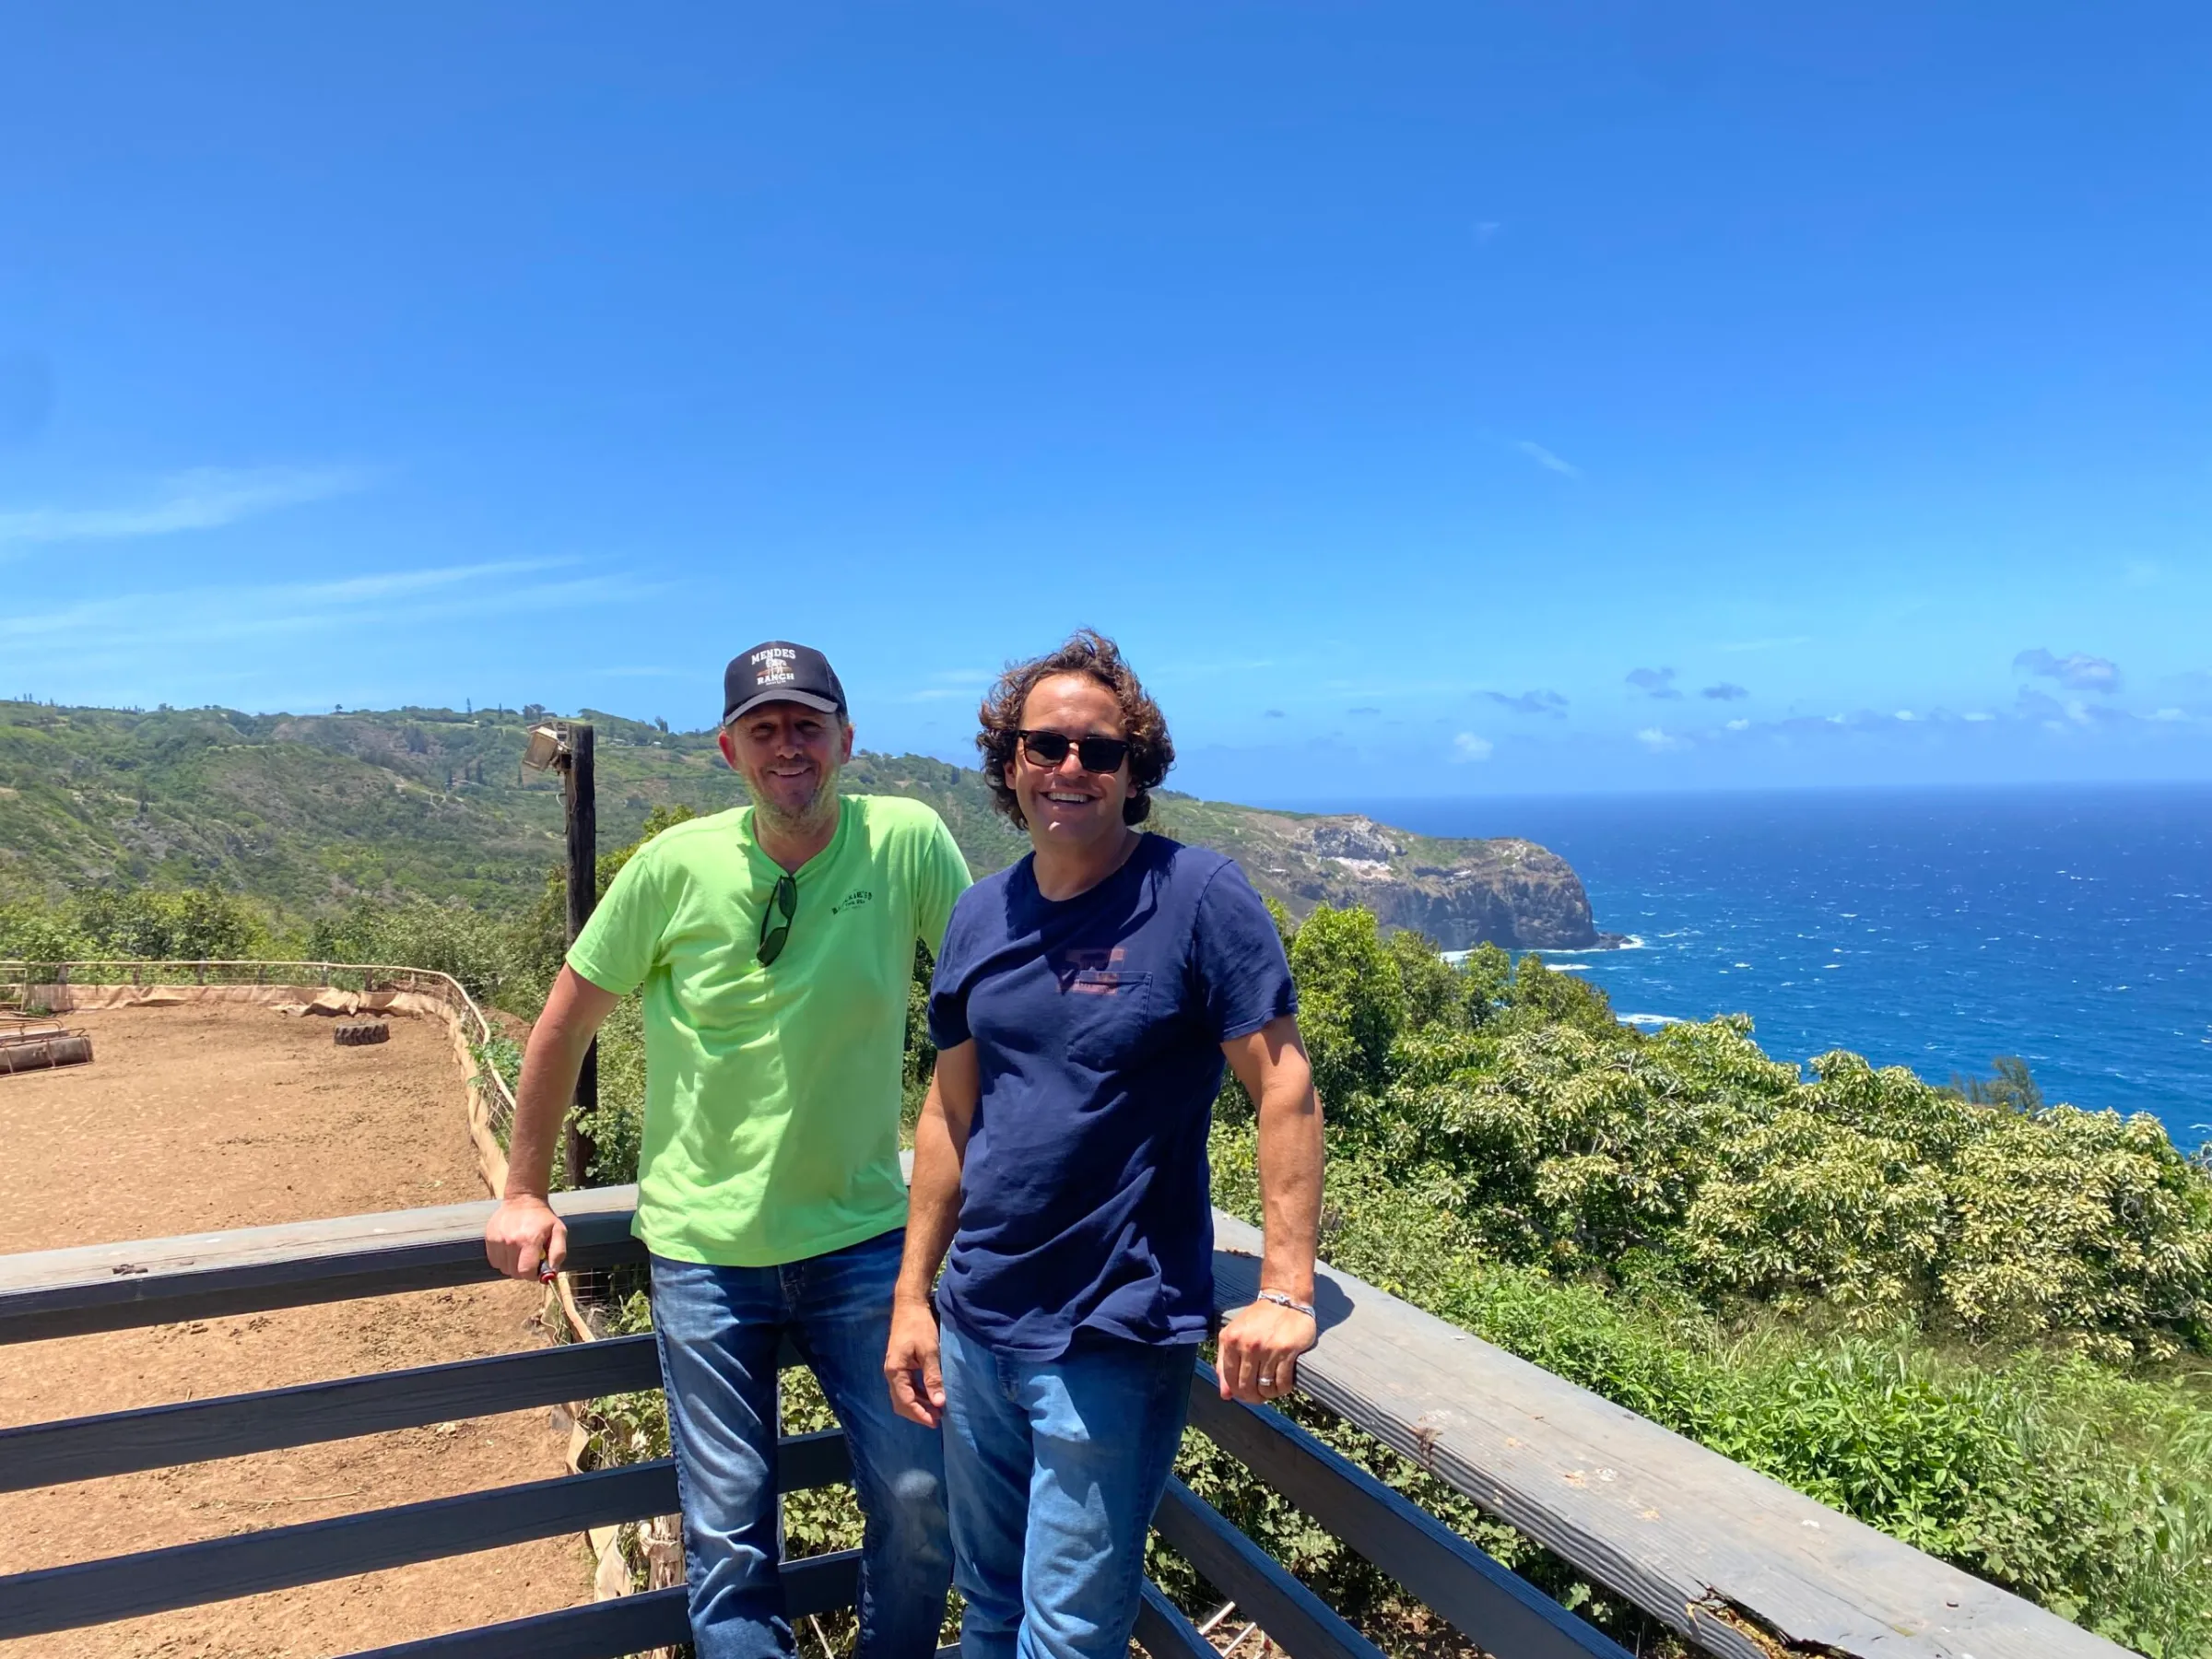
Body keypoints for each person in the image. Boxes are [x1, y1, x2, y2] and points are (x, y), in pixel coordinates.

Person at [485, 641, 971, 1659]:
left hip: (867, 1241)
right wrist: (524, 1192)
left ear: (846, 738)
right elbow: (564, 1024)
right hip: (706, 1254)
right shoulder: (673, 868)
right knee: (730, 1544)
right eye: (764, 729)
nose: (787, 746)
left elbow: (988, 1011)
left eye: (806, 725)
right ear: (727, 749)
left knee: (924, 1501)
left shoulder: (908, 843)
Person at [884, 629, 1324, 1659]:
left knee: (1070, 1633)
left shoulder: (1199, 895)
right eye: (1045, 746)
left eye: (1100, 751)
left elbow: (1285, 1086)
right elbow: (950, 1114)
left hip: (1109, 1333)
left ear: (1137, 773)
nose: (1070, 768)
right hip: (979, 1319)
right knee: (989, 1608)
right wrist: (914, 1297)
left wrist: (1286, 1289)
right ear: (1009, 765)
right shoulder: (979, 915)